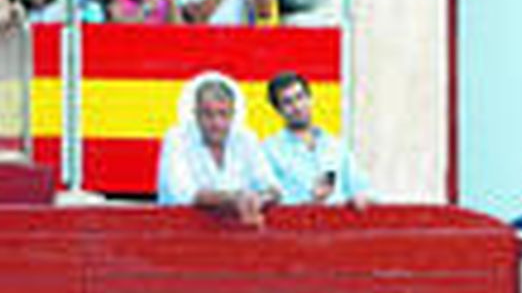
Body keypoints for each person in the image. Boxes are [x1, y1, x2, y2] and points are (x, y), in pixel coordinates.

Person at [157, 71, 281, 226]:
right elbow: (183, 194)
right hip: (183, 231)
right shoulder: (177, 139)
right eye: (208, 115)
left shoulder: (246, 139)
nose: (216, 123)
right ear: (195, 115)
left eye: (223, 114)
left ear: (233, 115)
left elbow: (273, 188)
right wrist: (234, 199)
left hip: (238, 233)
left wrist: (258, 200)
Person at [260, 71, 373, 207]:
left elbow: (361, 189)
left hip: (338, 225)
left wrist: (360, 198)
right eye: (287, 102)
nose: (297, 107)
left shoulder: (335, 146)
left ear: (310, 99)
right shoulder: (269, 151)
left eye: (300, 97)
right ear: (278, 110)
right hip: (296, 225)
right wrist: (310, 200)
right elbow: (266, 201)